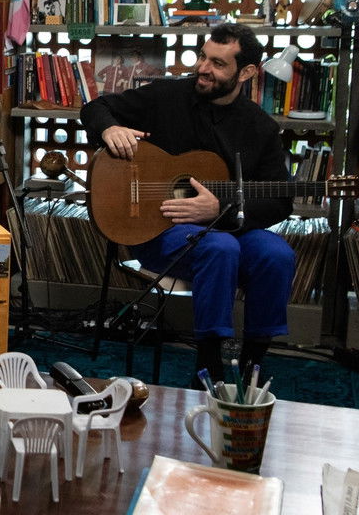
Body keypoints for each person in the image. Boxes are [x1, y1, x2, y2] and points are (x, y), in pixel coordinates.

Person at [80, 23, 294, 384]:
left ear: (247, 73)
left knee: (277, 255)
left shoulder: (260, 128)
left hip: (231, 226)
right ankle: (208, 366)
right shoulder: (167, 96)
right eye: (203, 57)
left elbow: (280, 201)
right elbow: (96, 107)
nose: (202, 68)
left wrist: (221, 211)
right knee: (219, 247)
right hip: (161, 228)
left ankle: (252, 364)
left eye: (218, 64)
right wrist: (108, 129)